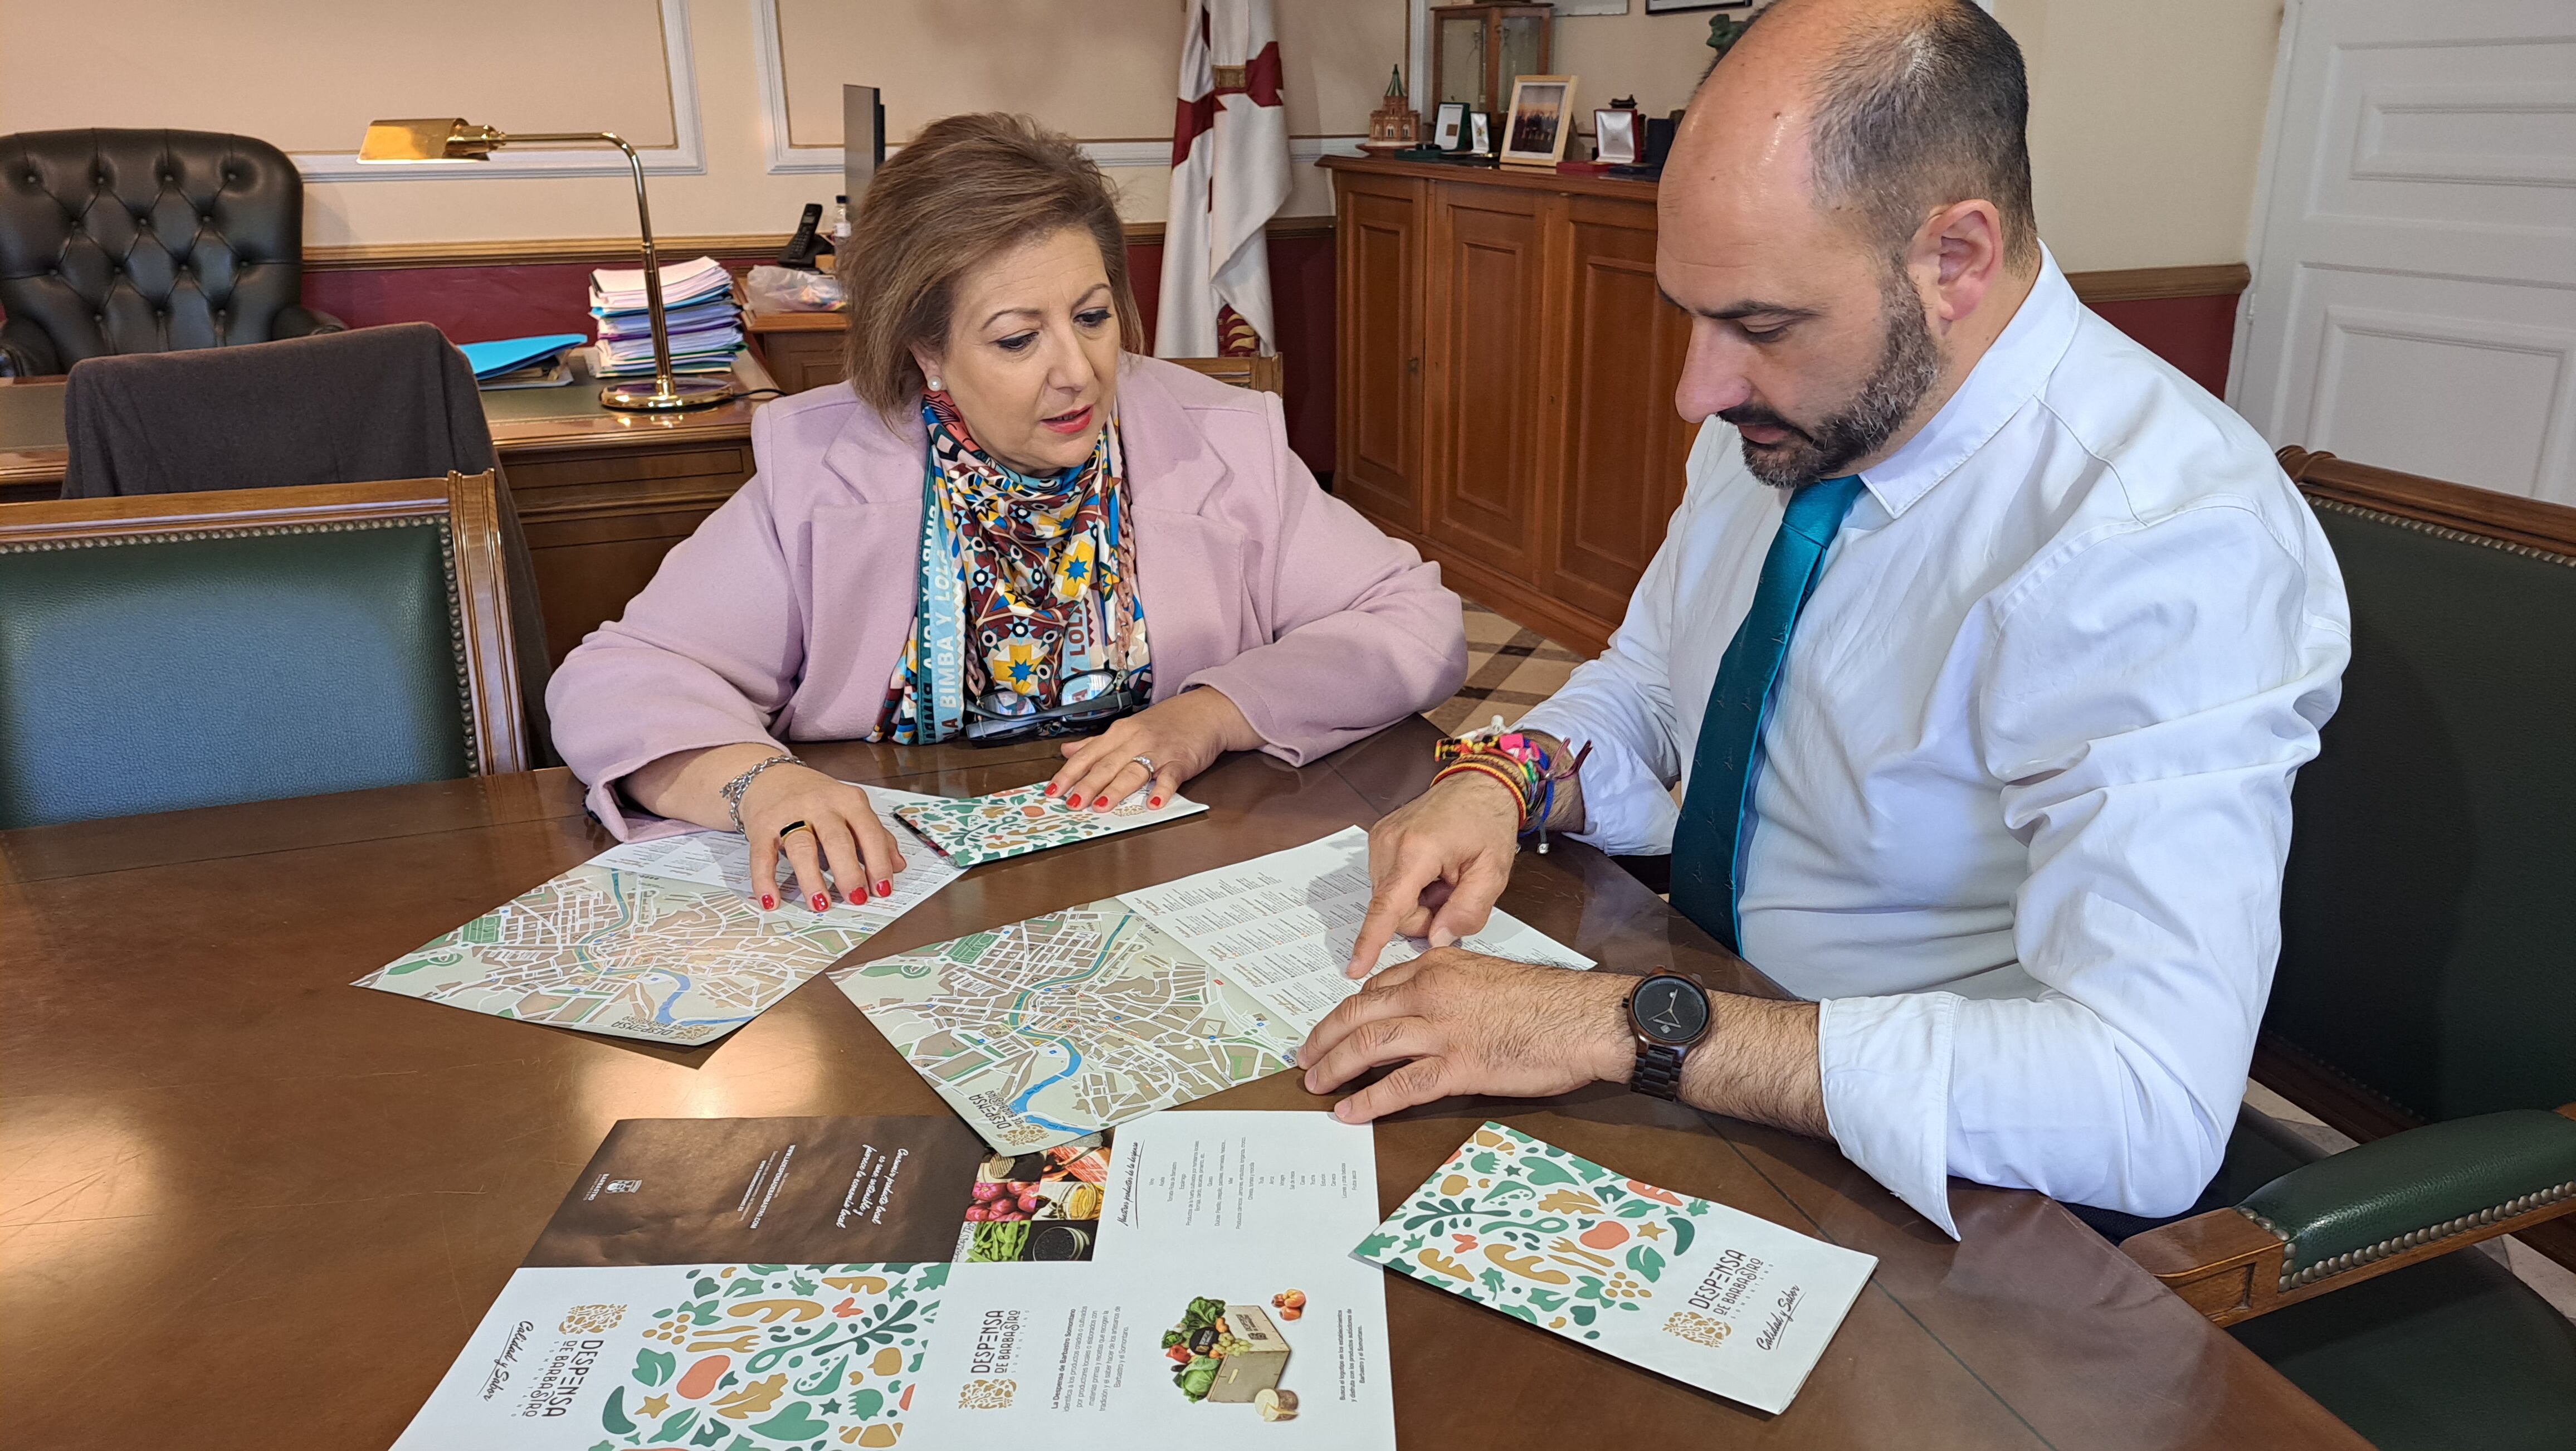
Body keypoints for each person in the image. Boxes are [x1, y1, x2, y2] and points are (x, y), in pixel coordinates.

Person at [1296, 0, 2350, 1236]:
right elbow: (1648, 680)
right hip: (1708, 1028)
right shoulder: (1793, 420)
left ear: (1952, 258)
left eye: (1756, 326)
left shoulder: (2163, 543)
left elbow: (2143, 1106)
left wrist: (1616, 1025)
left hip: (1945, 1194)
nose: (1697, 390)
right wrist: (1505, 775)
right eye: (1689, 313)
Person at [548, 113, 1465, 914]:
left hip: (1171, 882)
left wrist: (1214, 713)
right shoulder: (824, 472)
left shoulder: (1220, 443)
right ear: (928, 353)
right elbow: (619, 678)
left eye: (1095, 316)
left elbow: (1413, 622)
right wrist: (761, 782)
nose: (1078, 369)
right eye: (1019, 339)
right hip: (894, 901)